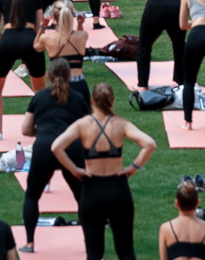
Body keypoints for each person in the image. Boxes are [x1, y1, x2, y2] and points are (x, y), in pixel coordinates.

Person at [49, 83, 153, 260]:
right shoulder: (121, 124)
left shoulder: (83, 125)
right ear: (112, 101)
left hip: (91, 190)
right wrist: (132, 168)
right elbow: (150, 144)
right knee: (126, 250)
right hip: (118, 188)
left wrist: (75, 170)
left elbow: (56, 147)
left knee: (94, 253)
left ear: (92, 101)